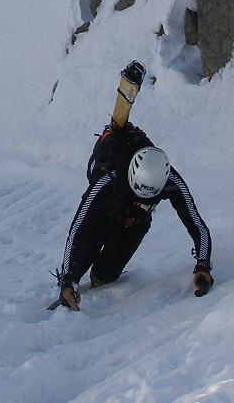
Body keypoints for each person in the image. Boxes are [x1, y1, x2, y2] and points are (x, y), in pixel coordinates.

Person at [53, 122, 213, 311]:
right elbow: (79, 227)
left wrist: (202, 265)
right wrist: (68, 279)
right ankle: (73, 280)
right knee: (85, 250)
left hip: (133, 222)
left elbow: (197, 226)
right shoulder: (108, 179)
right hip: (103, 214)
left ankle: (100, 276)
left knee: (106, 275)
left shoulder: (171, 181)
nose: (141, 197)